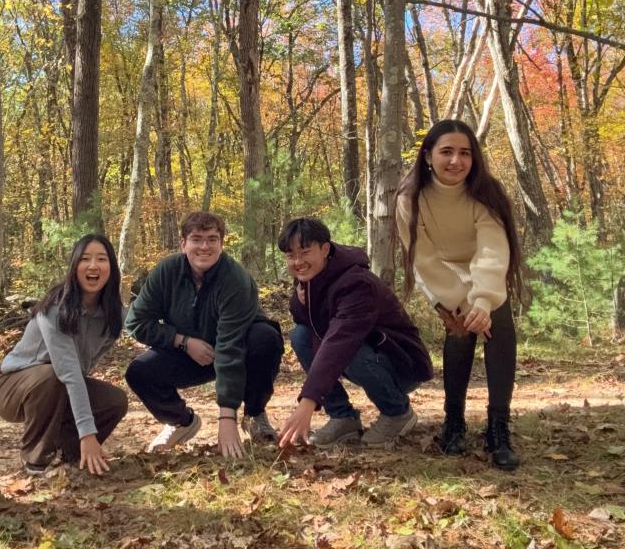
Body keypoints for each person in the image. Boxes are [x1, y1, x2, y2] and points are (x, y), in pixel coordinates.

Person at [395, 119, 523, 471]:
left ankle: (498, 427)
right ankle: (454, 421)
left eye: (464, 153)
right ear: (428, 156)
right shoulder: (410, 199)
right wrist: (460, 305)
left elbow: (492, 250)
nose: (456, 161)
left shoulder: (486, 193)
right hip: (441, 279)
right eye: (446, 152)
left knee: (497, 321)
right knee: (460, 331)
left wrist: (482, 300)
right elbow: (423, 259)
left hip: (486, 275)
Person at [125, 211, 284, 458]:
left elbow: (230, 346)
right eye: (196, 239)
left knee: (265, 338)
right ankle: (180, 422)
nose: (204, 246)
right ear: (183, 243)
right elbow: (135, 321)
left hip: (239, 350)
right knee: (139, 371)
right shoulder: (166, 272)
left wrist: (226, 417)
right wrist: (182, 342)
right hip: (190, 353)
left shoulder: (235, 279)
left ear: (221, 243)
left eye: (212, 239)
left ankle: (254, 414)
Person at [277, 218, 433, 449]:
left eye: (305, 252)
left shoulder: (356, 283)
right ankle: (342, 417)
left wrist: (307, 402)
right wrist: (299, 302)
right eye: (291, 256)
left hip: (401, 365)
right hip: (364, 355)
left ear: (325, 249)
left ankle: (397, 412)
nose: (298, 262)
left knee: (349, 348)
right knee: (301, 336)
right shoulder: (310, 277)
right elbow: (308, 322)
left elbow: (341, 339)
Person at [0, 234, 128, 476]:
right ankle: (36, 462)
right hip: (13, 386)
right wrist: (88, 431)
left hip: (58, 386)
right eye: (85, 259)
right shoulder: (55, 307)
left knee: (115, 400)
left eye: (101, 259)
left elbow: (145, 328)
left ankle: (73, 456)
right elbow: (68, 372)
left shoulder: (113, 314)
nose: (93, 266)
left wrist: (183, 341)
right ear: (74, 266)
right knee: (53, 375)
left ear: (111, 268)